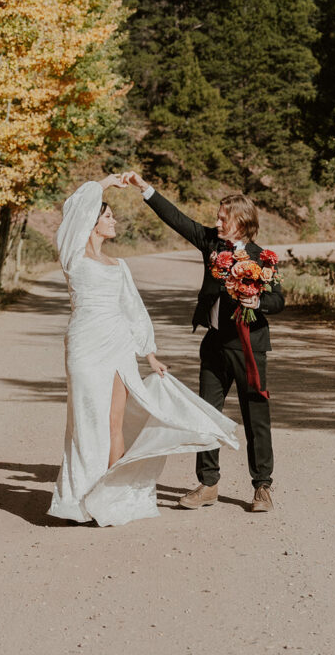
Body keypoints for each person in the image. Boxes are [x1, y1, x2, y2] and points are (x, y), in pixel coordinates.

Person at [48, 174, 239, 527]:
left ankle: (111, 497)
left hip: (119, 346)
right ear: (91, 222)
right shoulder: (73, 256)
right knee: (86, 421)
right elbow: (75, 204)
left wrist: (149, 353)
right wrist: (106, 182)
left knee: (115, 423)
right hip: (85, 345)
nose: (114, 220)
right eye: (108, 216)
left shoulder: (119, 266)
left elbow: (133, 308)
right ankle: (80, 497)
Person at [124, 171, 284, 513]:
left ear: (240, 222)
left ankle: (262, 486)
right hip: (213, 345)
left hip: (249, 348)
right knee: (205, 416)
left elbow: (279, 300)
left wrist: (259, 303)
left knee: (256, 416)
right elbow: (178, 220)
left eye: (222, 217)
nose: (216, 221)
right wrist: (145, 189)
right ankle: (208, 484)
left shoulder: (262, 258)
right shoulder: (212, 244)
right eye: (217, 216)